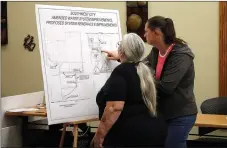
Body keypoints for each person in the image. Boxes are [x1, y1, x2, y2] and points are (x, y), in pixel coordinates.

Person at [102, 16, 198, 148]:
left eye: (146, 31)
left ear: (156, 32)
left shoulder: (181, 55)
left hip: (180, 114)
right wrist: (122, 57)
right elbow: (140, 65)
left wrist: (145, 72)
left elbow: (166, 87)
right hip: (163, 112)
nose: (144, 34)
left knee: (172, 144)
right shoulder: (156, 51)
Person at [90, 33, 167, 148]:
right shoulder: (144, 70)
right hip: (155, 131)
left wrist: (98, 137)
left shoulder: (121, 72)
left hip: (129, 135)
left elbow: (114, 108)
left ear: (121, 51)